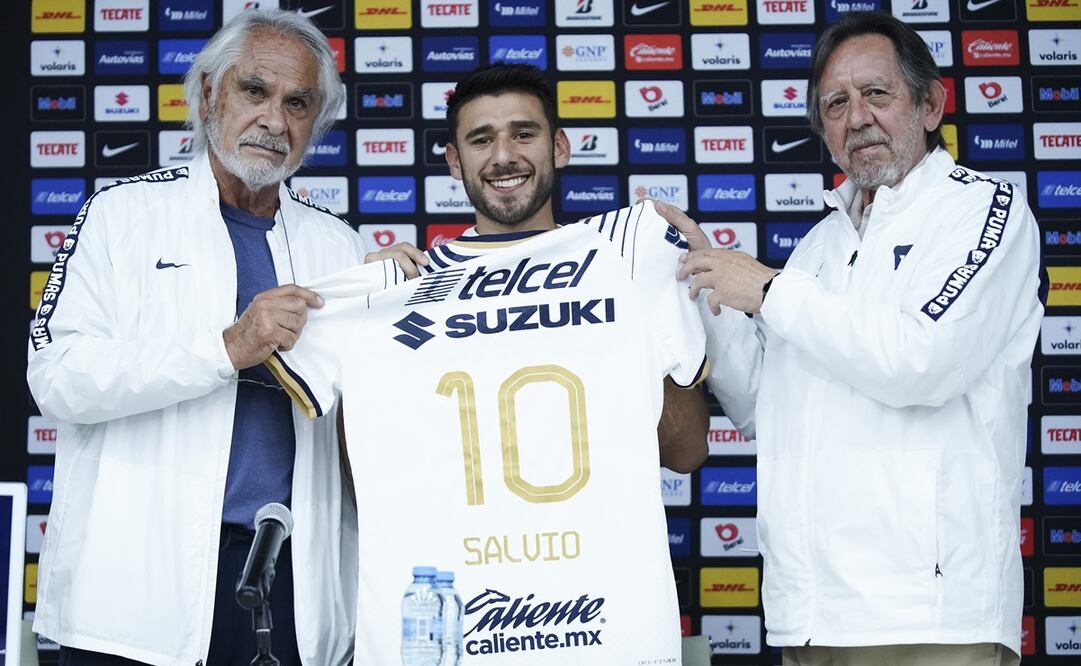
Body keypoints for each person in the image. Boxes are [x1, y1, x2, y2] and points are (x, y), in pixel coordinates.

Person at [663, 11, 1041, 666]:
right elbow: (762, 407)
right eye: (834, 103)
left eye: (876, 93)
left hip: (930, 619)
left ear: (930, 105)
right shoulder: (818, 247)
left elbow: (923, 360)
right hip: (811, 616)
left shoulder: (983, 209)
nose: (856, 116)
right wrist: (708, 298)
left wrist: (770, 292)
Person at [26, 10, 364, 665]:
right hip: (135, 595)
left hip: (293, 587)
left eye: (298, 103)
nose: (274, 120)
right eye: (254, 91)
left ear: (315, 123)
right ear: (209, 92)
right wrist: (227, 347)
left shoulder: (341, 245)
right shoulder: (121, 215)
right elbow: (58, 377)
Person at [377, 63, 710, 472]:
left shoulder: (621, 263)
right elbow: (365, 471)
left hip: (600, 537)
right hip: (468, 538)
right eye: (481, 140)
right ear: (454, 162)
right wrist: (374, 316)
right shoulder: (413, 286)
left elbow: (686, 453)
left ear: (559, 147)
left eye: (523, 134)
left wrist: (639, 315)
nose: (504, 157)